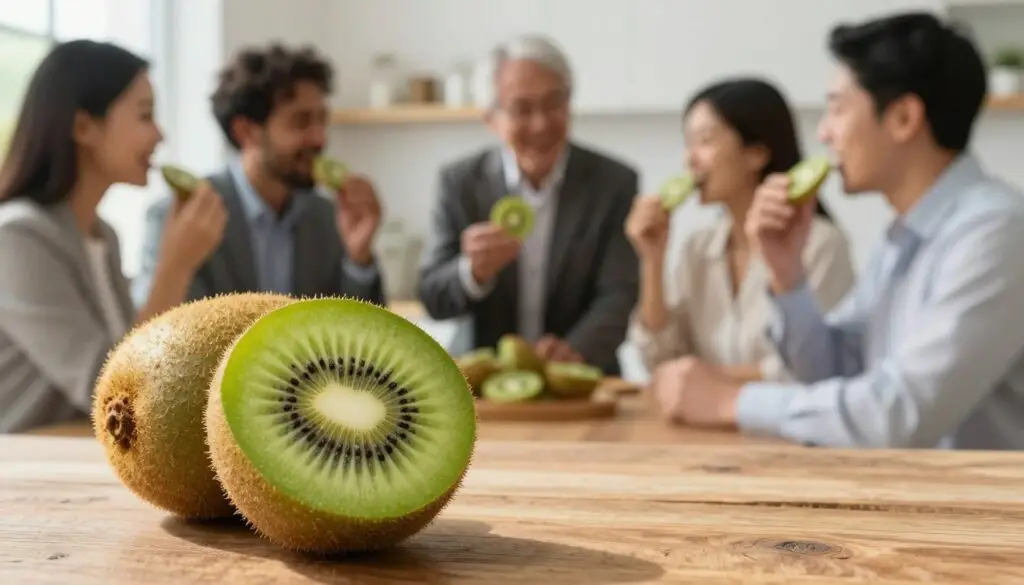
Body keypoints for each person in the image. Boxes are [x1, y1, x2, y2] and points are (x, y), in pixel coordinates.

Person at [657, 12, 1024, 451]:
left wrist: (732, 403)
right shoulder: (904, 235)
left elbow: (898, 414)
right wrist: (787, 275)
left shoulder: (996, 233)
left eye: (837, 108)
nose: (824, 133)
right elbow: (837, 369)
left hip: (984, 512)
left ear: (904, 118)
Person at [0, 40, 226, 433]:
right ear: (83, 127)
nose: (159, 134)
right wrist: (176, 265)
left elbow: (134, 367)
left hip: (80, 454)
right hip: (25, 463)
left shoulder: (104, 236)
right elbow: (111, 391)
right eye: (145, 115)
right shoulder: (17, 238)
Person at [417, 34, 640, 375]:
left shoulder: (614, 183)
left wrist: (572, 353)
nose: (541, 123)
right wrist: (471, 272)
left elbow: (618, 294)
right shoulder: (459, 183)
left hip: (582, 381)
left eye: (554, 103)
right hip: (485, 387)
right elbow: (433, 296)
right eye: (522, 109)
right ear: (491, 118)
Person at [624, 78, 855, 384]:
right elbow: (659, 360)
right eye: (688, 143)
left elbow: (811, 369)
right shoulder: (698, 248)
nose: (689, 159)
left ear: (756, 154)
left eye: (705, 142)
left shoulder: (821, 245)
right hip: (702, 428)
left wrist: (706, 381)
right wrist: (652, 260)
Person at [132, 43, 387, 307]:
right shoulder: (183, 218)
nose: (319, 138)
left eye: (322, 120)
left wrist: (359, 258)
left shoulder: (329, 217)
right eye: (300, 121)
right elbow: (166, 336)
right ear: (246, 131)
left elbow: (363, 336)